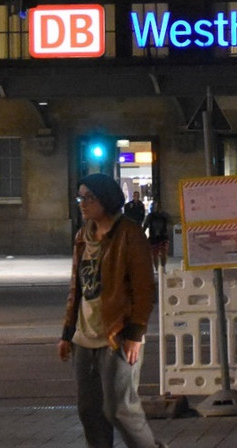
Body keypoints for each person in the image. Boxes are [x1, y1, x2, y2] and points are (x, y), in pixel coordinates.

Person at [59, 173, 161, 448]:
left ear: (106, 198)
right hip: (84, 337)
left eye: (88, 197)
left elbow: (144, 289)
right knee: (89, 411)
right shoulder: (83, 235)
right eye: (80, 197)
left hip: (118, 334)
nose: (82, 203)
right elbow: (77, 288)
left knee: (119, 409)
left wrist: (135, 334)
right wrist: (67, 332)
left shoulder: (130, 233)